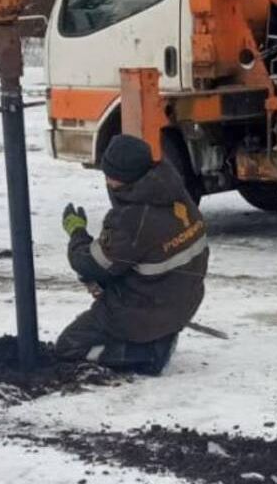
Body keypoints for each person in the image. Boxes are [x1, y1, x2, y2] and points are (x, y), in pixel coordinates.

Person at [57, 134, 209, 376]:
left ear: (123, 178)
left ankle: (147, 354)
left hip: (147, 310)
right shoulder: (174, 190)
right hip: (182, 299)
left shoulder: (132, 219)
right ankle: (157, 336)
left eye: (109, 175)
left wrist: (76, 232)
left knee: (69, 346)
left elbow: (89, 263)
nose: (106, 180)